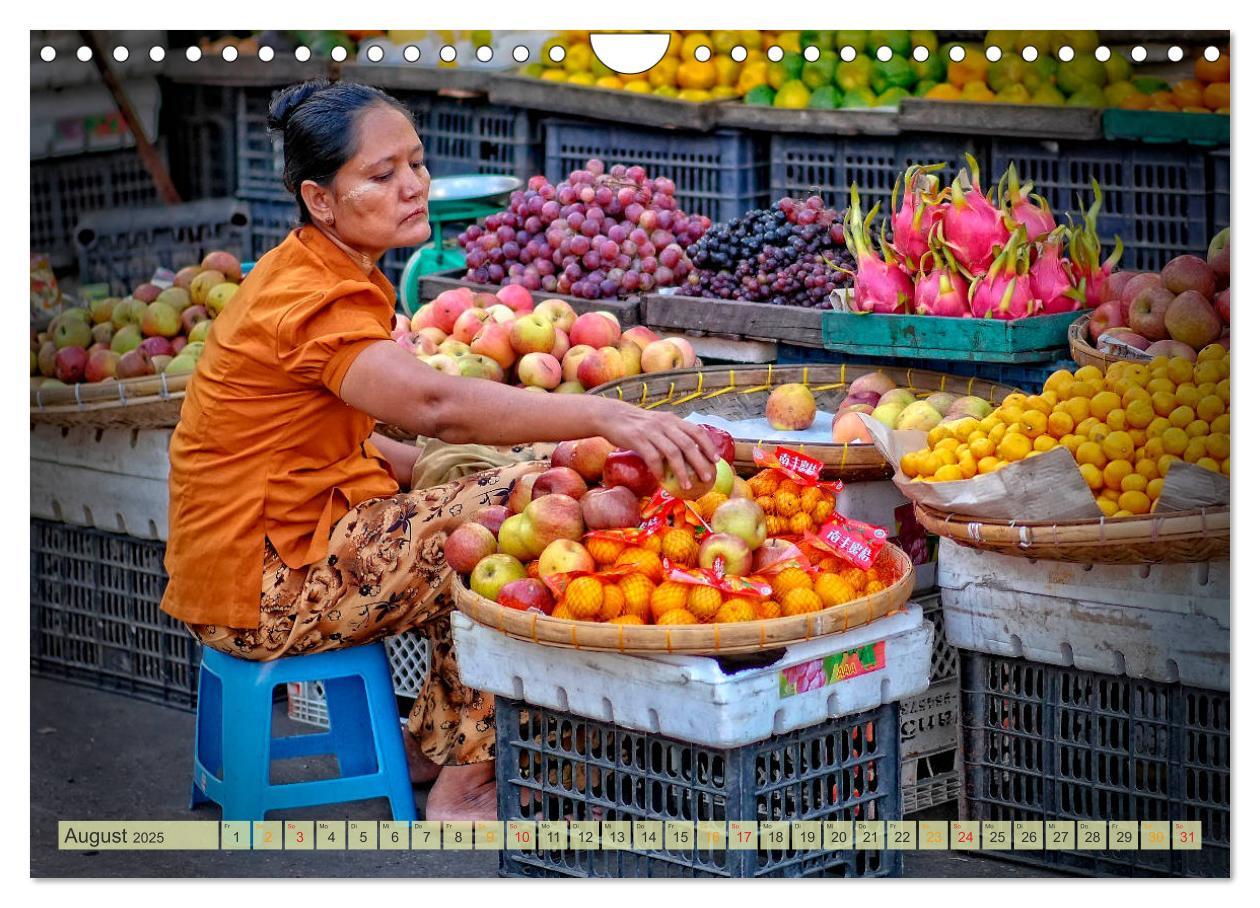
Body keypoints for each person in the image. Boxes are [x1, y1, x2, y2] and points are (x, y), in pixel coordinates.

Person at [160, 80, 719, 821]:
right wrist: (601, 416)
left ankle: (432, 746)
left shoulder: (323, 266)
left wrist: (447, 470)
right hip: (261, 586)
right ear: (321, 200)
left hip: (264, 554)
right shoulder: (312, 297)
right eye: (382, 174)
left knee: (511, 492)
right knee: (512, 517)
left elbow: (324, 445)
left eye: (417, 164)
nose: (414, 186)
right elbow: (436, 405)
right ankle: (469, 784)